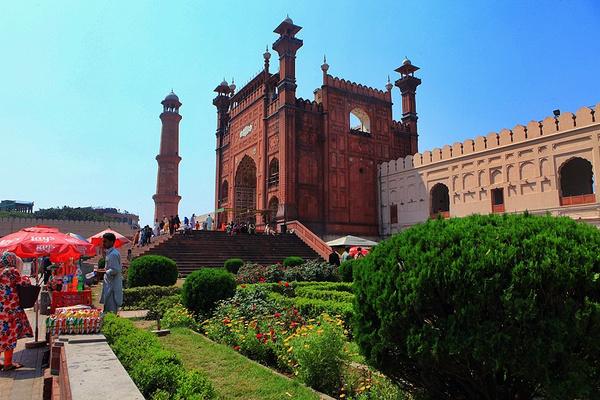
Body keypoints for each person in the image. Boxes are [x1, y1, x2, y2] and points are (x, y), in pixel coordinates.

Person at [0, 252, 33, 371]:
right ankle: (8, 363)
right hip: (9, 310)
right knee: (9, 335)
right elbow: (24, 283)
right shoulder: (11, 271)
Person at [100, 233, 123, 314]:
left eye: (105, 241)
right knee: (108, 309)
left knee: (111, 311)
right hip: (109, 285)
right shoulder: (110, 253)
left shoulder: (113, 254)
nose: (103, 243)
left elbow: (115, 270)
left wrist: (105, 271)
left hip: (112, 287)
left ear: (112, 242)